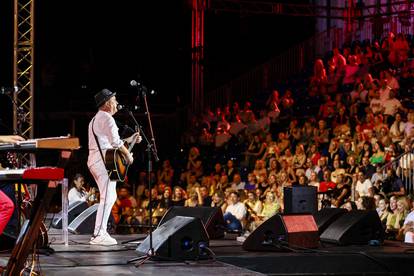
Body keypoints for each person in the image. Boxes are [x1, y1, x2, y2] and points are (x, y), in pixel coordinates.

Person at [87, 89, 142, 246]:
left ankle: (100, 232)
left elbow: (110, 140)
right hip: (102, 162)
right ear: (106, 103)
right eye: (114, 100)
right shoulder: (107, 118)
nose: (117, 103)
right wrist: (128, 155)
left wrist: (130, 139)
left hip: (96, 161)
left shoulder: (96, 119)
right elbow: (116, 143)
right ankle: (99, 234)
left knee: (108, 196)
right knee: (108, 197)